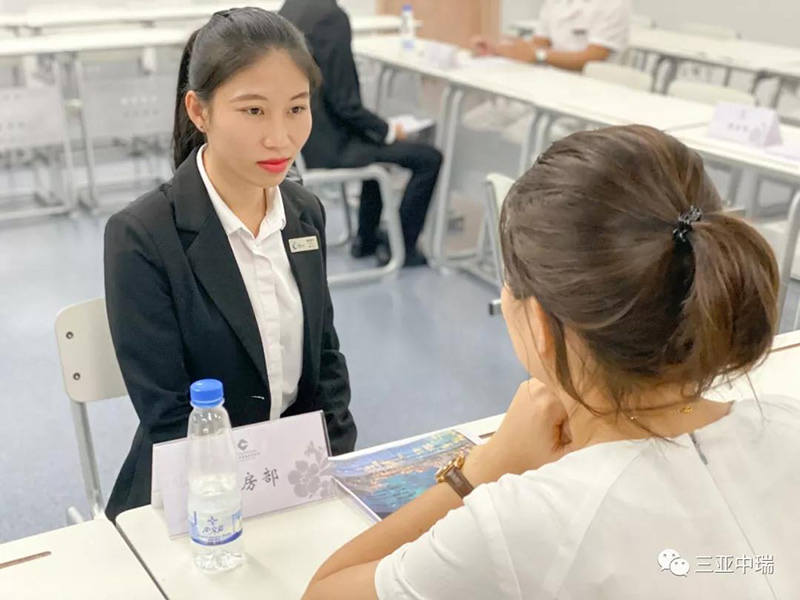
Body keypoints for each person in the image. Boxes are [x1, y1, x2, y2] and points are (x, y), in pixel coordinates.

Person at [302, 125, 800, 599]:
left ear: (540, 323)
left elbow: (322, 592)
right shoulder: (787, 424)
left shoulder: (524, 523)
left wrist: (484, 467)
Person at [103, 8, 356, 522]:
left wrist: (336, 467)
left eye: (297, 108)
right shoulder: (142, 235)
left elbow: (325, 359)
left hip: (296, 477)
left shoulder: (304, 213)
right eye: (254, 111)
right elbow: (168, 415)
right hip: (195, 495)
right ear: (199, 111)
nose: (281, 138)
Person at [279, 0, 443, 268]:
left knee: (374, 147)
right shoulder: (331, 18)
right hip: (330, 146)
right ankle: (401, 249)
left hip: (304, 143)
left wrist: (379, 131)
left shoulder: (293, 7)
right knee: (429, 159)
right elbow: (345, 104)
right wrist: (388, 130)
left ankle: (366, 241)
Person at [473, 0, 631, 71]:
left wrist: (538, 56)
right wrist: (500, 50)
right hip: (549, 79)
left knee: (520, 129)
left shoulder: (614, 3)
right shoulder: (555, 2)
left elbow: (593, 58)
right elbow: (539, 43)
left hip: (588, 90)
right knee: (478, 119)